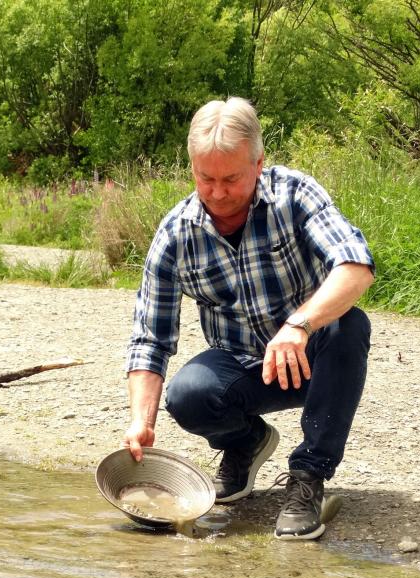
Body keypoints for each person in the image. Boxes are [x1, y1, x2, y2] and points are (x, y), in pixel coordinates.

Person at [122, 97, 375, 540]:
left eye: (232, 179)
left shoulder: (295, 194)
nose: (218, 192)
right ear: (192, 169)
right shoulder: (175, 234)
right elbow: (150, 339)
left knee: (348, 325)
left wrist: (299, 324)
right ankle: (245, 443)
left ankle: (308, 477)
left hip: (315, 356)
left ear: (259, 163)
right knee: (188, 394)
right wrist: (141, 420)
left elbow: (355, 266)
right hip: (244, 368)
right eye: (206, 178)